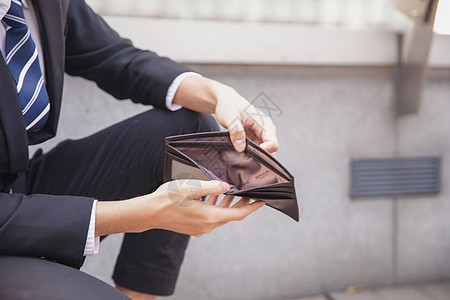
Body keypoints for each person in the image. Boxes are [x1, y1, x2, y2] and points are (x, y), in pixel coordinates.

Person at [0, 0, 278, 299]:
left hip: (20, 185)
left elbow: (113, 56)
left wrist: (219, 95)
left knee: (190, 130)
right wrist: (139, 214)